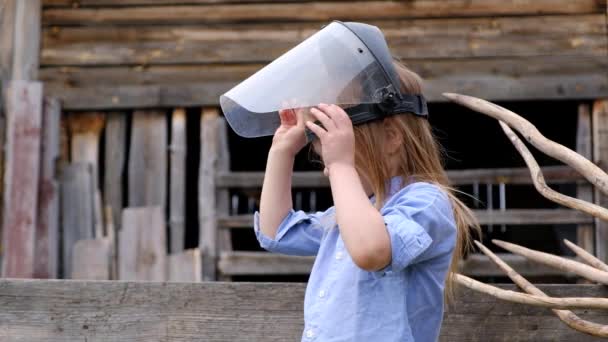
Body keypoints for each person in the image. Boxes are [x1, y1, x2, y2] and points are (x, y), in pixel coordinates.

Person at [220, 21, 480, 341]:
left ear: (391, 138)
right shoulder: (354, 215)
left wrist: (341, 166)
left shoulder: (426, 201)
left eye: (341, 148)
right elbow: (277, 232)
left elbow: (371, 251)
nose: (328, 165)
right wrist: (282, 151)